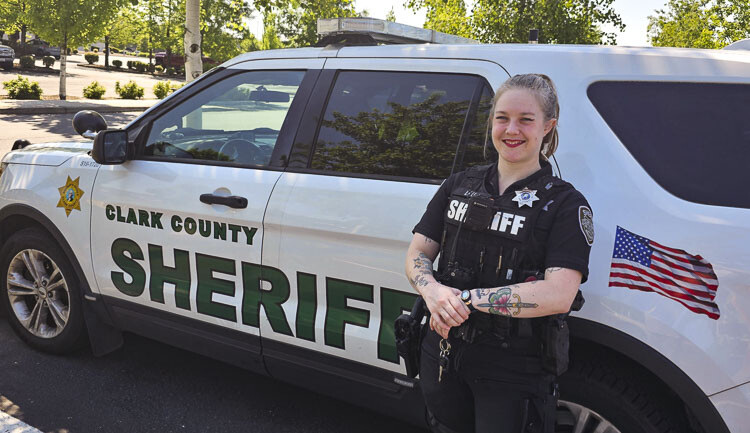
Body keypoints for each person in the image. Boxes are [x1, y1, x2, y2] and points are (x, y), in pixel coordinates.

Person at [405, 74, 594, 433]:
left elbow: (559, 294)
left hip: (513, 370)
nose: (512, 129)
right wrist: (432, 292)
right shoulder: (459, 184)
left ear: (548, 127)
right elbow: (419, 250)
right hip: (441, 353)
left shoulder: (565, 204)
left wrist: (464, 300)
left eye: (526, 119)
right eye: (502, 117)